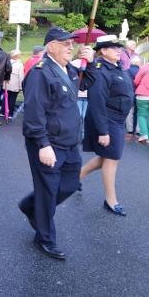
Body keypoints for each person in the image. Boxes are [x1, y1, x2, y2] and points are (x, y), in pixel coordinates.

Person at [18, 27, 93, 260]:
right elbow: (34, 113)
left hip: (69, 142)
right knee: (48, 191)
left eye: (72, 44)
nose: (71, 47)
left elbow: (86, 84)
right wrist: (43, 144)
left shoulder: (68, 69)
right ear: (51, 46)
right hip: (48, 143)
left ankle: (31, 205)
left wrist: (88, 63)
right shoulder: (40, 73)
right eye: (66, 44)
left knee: (70, 185)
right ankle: (45, 238)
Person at [80, 35, 134, 216]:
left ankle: (76, 177)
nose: (119, 50)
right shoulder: (100, 70)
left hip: (117, 120)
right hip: (108, 120)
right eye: (113, 47)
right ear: (103, 51)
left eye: (119, 47)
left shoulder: (117, 67)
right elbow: (97, 102)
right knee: (112, 159)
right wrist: (103, 131)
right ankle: (111, 200)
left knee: (106, 157)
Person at [2, 50, 24, 118]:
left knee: (5, 98)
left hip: (6, 83)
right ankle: (10, 113)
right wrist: (21, 87)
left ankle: (3, 112)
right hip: (14, 85)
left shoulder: (5, 63)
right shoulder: (19, 65)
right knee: (12, 99)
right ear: (17, 56)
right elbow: (21, 77)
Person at [125, 55, 141, 137]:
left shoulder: (125, 71)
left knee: (129, 112)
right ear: (137, 62)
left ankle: (130, 129)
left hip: (128, 93)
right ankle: (138, 130)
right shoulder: (141, 71)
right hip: (139, 93)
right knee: (140, 113)